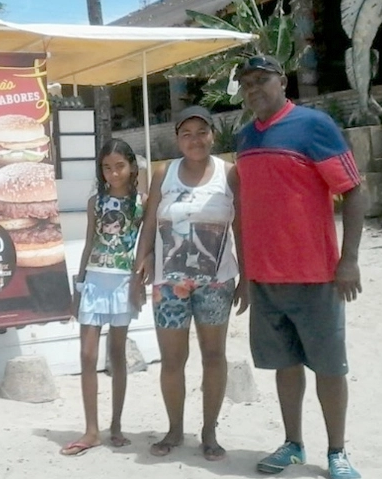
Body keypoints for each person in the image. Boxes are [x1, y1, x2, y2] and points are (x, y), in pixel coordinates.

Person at [232, 55, 365, 479]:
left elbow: (353, 192)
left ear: (282, 81)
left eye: (262, 79)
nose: (254, 88)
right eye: (247, 82)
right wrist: (246, 273)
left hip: (318, 276)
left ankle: (338, 453)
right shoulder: (244, 138)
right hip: (265, 278)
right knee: (284, 366)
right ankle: (292, 444)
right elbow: (246, 207)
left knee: (329, 367)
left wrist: (350, 261)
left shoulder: (314, 125)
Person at [135, 106, 246, 461]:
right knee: (172, 359)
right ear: (177, 138)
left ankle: (210, 431)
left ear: (213, 134)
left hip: (217, 283)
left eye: (202, 132)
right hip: (168, 284)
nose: (195, 140)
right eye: (187, 133)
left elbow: (242, 227)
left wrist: (247, 277)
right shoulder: (163, 173)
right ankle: (174, 429)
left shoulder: (230, 175)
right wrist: (141, 264)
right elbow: (150, 222)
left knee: (214, 356)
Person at [61, 138, 146, 457]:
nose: (113, 173)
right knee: (86, 355)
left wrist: (140, 282)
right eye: (107, 167)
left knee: (117, 356)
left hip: (123, 284)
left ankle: (117, 425)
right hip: (94, 281)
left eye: (119, 166)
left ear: (131, 167)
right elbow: (88, 244)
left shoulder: (141, 202)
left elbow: (145, 246)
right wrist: (78, 287)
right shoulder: (95, 202)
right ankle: (91, 430)